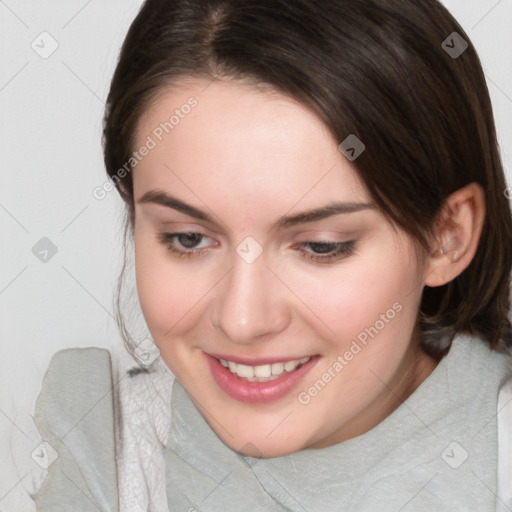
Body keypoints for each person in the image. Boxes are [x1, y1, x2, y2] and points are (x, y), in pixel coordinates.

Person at [26, 0, 512, 510]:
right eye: (188, 239)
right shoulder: (94, 457)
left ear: (447, 236)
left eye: (321, 246)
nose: (242, 320)